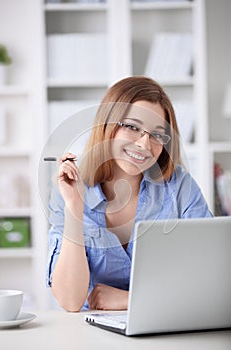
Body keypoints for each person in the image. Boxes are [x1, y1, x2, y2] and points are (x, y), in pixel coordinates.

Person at [46, 76, 212, 312]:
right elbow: (70, 301)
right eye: (132, 127)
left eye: (156, 134)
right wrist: (75, 207)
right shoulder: (70, 186)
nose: (144, 145)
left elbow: (209, 278)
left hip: (165, 325)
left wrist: (129, 299)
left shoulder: (180, 187)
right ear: (107, 126)